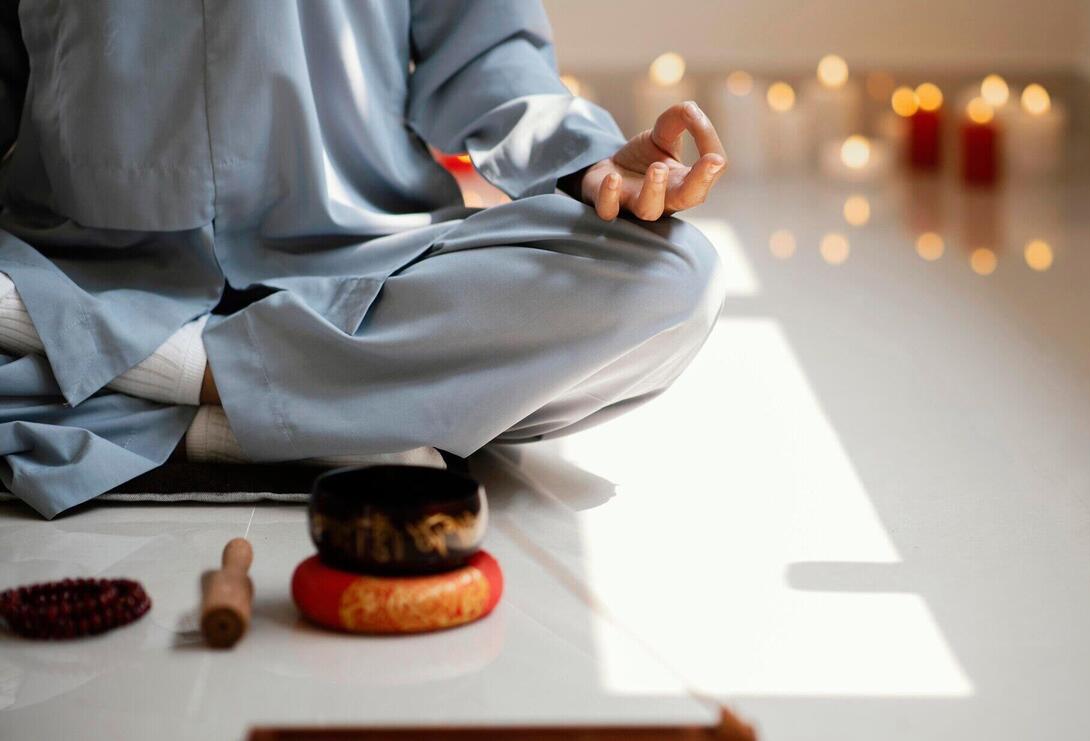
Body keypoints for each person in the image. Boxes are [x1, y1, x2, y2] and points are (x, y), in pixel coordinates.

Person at [0, 1, 726, 518]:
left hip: (363, 268)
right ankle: (313, 413)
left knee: (672, 277)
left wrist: (584, 157)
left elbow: (489, 52)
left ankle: (162, 383)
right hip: (78, 267)